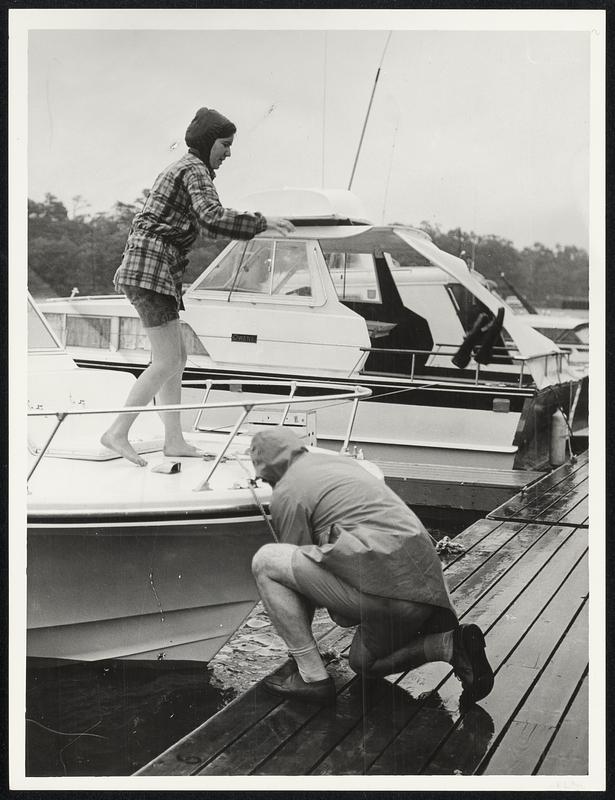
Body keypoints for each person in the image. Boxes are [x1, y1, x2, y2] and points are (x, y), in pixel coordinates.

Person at [101, 107, 294, 465]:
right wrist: (262, 222)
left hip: (156, 269)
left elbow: (205, 226)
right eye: (225, 144)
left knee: (178, 358)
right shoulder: (194, 169)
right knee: (167, 359)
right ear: (208, 143)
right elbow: (212, 217)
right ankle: (117, 432)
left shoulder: (187, 169)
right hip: (151, 269)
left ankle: (173, 439)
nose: (229, 153)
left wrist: (250, 225)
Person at [249, 427, 494, 706]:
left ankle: (312, 679)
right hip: (425, 595)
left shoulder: (287, 490)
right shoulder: (339, 464)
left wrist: (302, 654)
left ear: (268, 471)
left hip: (386, 591)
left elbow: (293, 577)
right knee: (364, 662)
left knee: (266, 561)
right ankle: (451, 645)